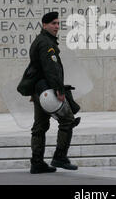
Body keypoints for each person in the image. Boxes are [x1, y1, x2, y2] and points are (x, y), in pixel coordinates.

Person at [28, 11, 79, 174]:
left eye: (58, 23)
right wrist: (59, 90)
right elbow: (51, 69)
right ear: (44, 25)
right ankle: (60, 157)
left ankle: (37, 162)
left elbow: (36, 69)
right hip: (49, 92)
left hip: (40, 91)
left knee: (40, 127)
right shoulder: (46, 43)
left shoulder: (41, 40)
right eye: (53, 24)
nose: (57, 26)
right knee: (67, 121)